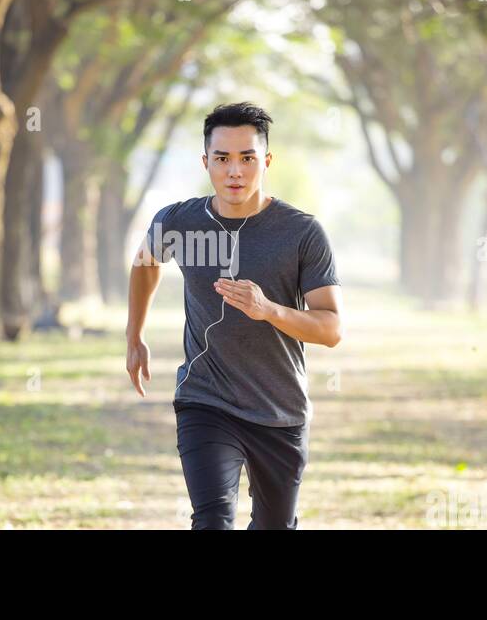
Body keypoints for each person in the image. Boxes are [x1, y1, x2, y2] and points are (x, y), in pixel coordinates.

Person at [125, 101, 343, 530]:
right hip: (205, 400)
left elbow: (331, 328)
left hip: (280, 408)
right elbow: (145, 263)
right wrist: (135, 335)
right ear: (206, 162)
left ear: (267, 160)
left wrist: (269, 310)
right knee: (212, 522)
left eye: (247, 158)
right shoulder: (179, 222)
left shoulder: (301, 232)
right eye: (222, 159)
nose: (235, 171)